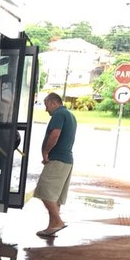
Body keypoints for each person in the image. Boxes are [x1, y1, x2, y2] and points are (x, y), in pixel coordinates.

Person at [34, 92, 77, 238]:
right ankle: (52, 226)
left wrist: (46, 152)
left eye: (46, 105)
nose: (46, 109)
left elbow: (55, 134)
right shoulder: (70, 115)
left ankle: (57, 222)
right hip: (67, 160)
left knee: (45, 192)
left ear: (53, 103)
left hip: (57, 159)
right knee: (55, 196)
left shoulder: (58, 115)